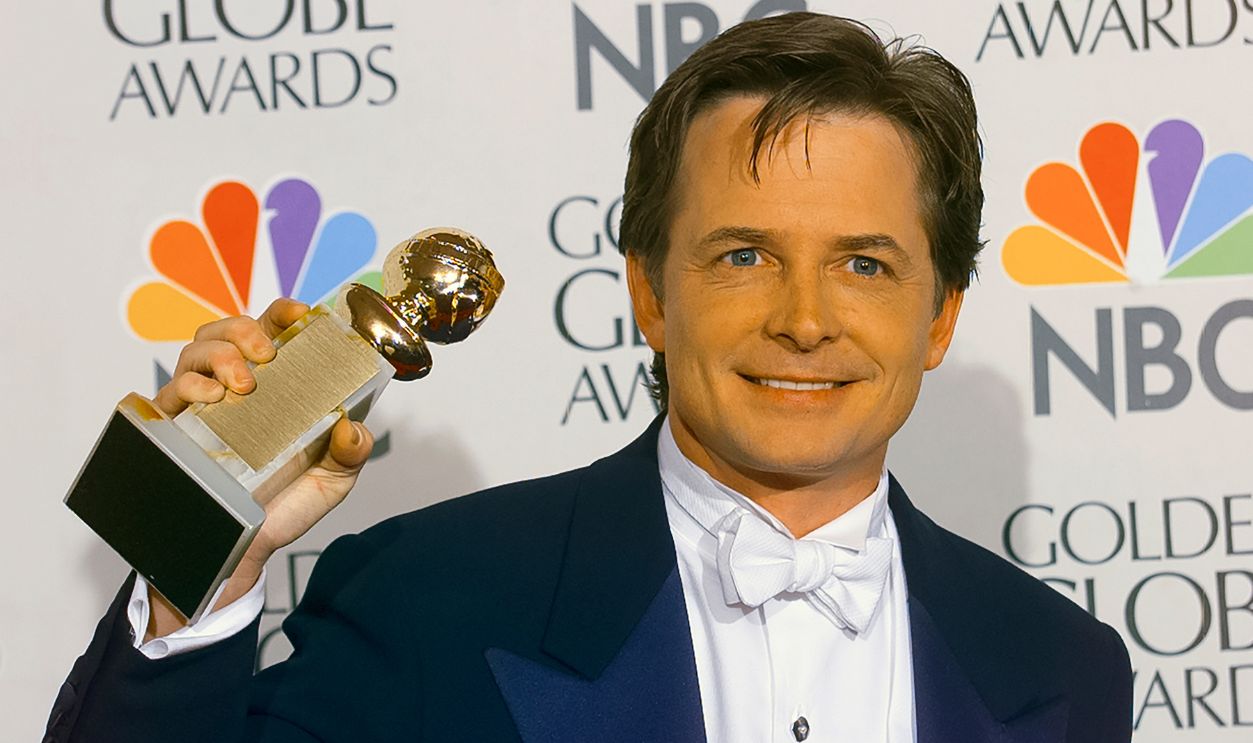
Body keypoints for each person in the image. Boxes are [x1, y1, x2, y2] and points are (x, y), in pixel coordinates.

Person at [46, 12, 1131, 743]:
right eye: (743, 254)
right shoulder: (431, 597)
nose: (804, 319)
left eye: (862, 263)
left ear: (937, 313)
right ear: (649, 292)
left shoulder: (1058, 664)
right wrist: (201, 561)